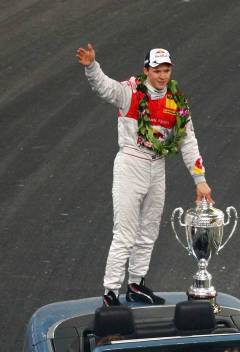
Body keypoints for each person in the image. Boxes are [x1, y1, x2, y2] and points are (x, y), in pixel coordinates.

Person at [76, 44, 213, 306]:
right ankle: (111, 292)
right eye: (157, 70)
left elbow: (188, 141)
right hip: (131, 163)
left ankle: (136, 283)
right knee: (124, 232)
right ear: (146, 70)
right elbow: (105, 87)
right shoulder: (130, 92)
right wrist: (92, 67)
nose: (162, 76)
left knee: (149, 229)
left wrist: (200, 180)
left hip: (157, 166)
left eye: (166, 70)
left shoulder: (177, 102)